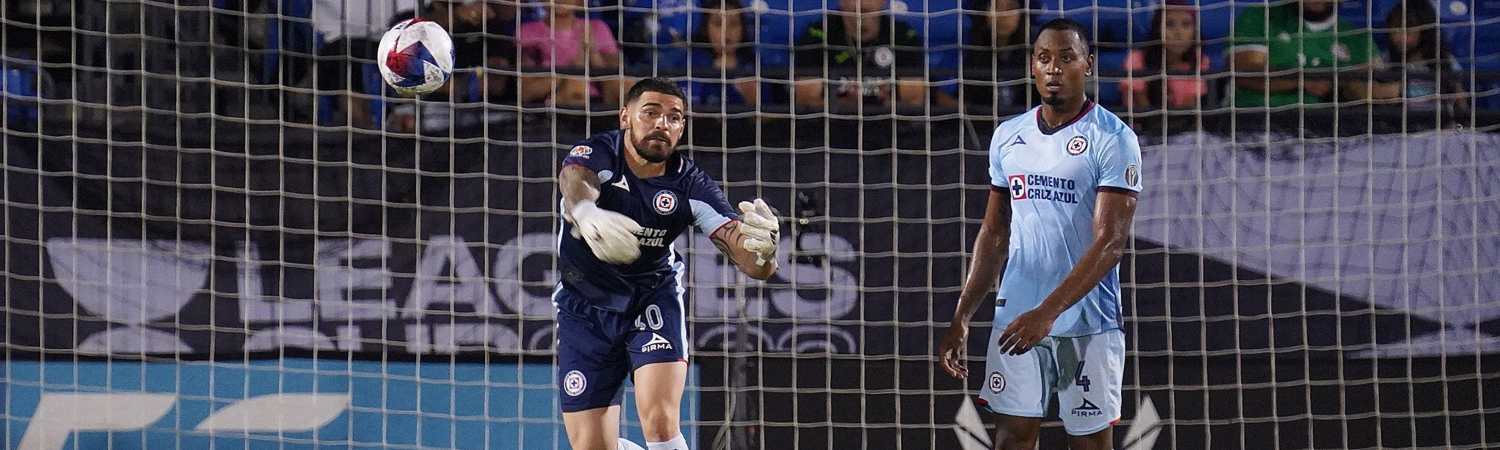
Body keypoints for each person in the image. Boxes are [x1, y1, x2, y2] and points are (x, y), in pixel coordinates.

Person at [937, 18, 1141, 450]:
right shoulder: (1009, 136)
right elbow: (993, 234)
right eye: (1044, 58)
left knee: (1089, 444)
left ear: (1087, 64)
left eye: (1066, 57)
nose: (1054, 68)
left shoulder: (1113, 138)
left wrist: (1047, 314)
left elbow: (1111, 243)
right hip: (1017, 319)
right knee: (1012, 439)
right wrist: (963, 315)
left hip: (1087, 324)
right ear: (1032, 66)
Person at [554, 78, 780, 450]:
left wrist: (765, 252)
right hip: (584, 307)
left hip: (651, 298)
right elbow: (575, 178)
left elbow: (753, 263)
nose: (663, 123)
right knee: (591, 446)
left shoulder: (691, 185)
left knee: (659, 422)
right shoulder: (597, 154)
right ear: (625, 117)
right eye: (652, 113)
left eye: (675, 118)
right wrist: (585, 211)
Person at [1231, 0, 1378, 107]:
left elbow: (1375, 89)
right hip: (1256, 125)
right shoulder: (1260, 16)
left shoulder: (1358, 37)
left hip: (1332, 131)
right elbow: (1244, 72)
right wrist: (1304, 81)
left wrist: (1346, 85)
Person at [792, 0, 928, 109]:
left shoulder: (903, 35)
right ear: (841, 2)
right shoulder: (816, 34)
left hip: (890, 127)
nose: (861, 4)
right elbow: (807, 99)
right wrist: (845, 106)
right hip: (830, 127)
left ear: (883, 1)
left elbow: (913, 100)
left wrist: (878, 107)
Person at [517, 0, 625, 106]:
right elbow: (526, 92)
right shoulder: (528, 31)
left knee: (629, 86)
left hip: (600, 99)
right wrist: (572, 71)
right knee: (576, 84)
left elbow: (616, 74)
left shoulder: (597, 27)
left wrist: (593, 53)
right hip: (556, 102)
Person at [1119, 0, 1211, 110]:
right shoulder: (1136, 59)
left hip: (1184, 124)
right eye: (1170, 24)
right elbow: (1142, 108)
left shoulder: (1199, 60)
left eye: (1186, 25)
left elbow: (1190, 109)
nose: (1178, 33)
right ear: (1157, 29)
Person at [1376, 0, 1466, 112]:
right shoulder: (1386, 59)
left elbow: (1460, 100)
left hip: (1439, 124)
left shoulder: (1444, 59)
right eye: (1394, 31)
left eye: (1408, 32)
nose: (1399, 38)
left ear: (1425, 32)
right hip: (1401, 124)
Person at [680, 0, 766, 107]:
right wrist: (714, 71)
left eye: (734, 24)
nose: (726, 31)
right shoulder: (690, 62)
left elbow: (772, 117)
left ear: (743, 28)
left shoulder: (753, 63)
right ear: (705, 28)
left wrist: (752, 101)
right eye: (718, 23)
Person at [959, 0, 1032, 110]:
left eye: (1010, 7)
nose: (1003, 15)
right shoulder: (967, 48)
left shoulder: (1035, 49)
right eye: (996, 7)